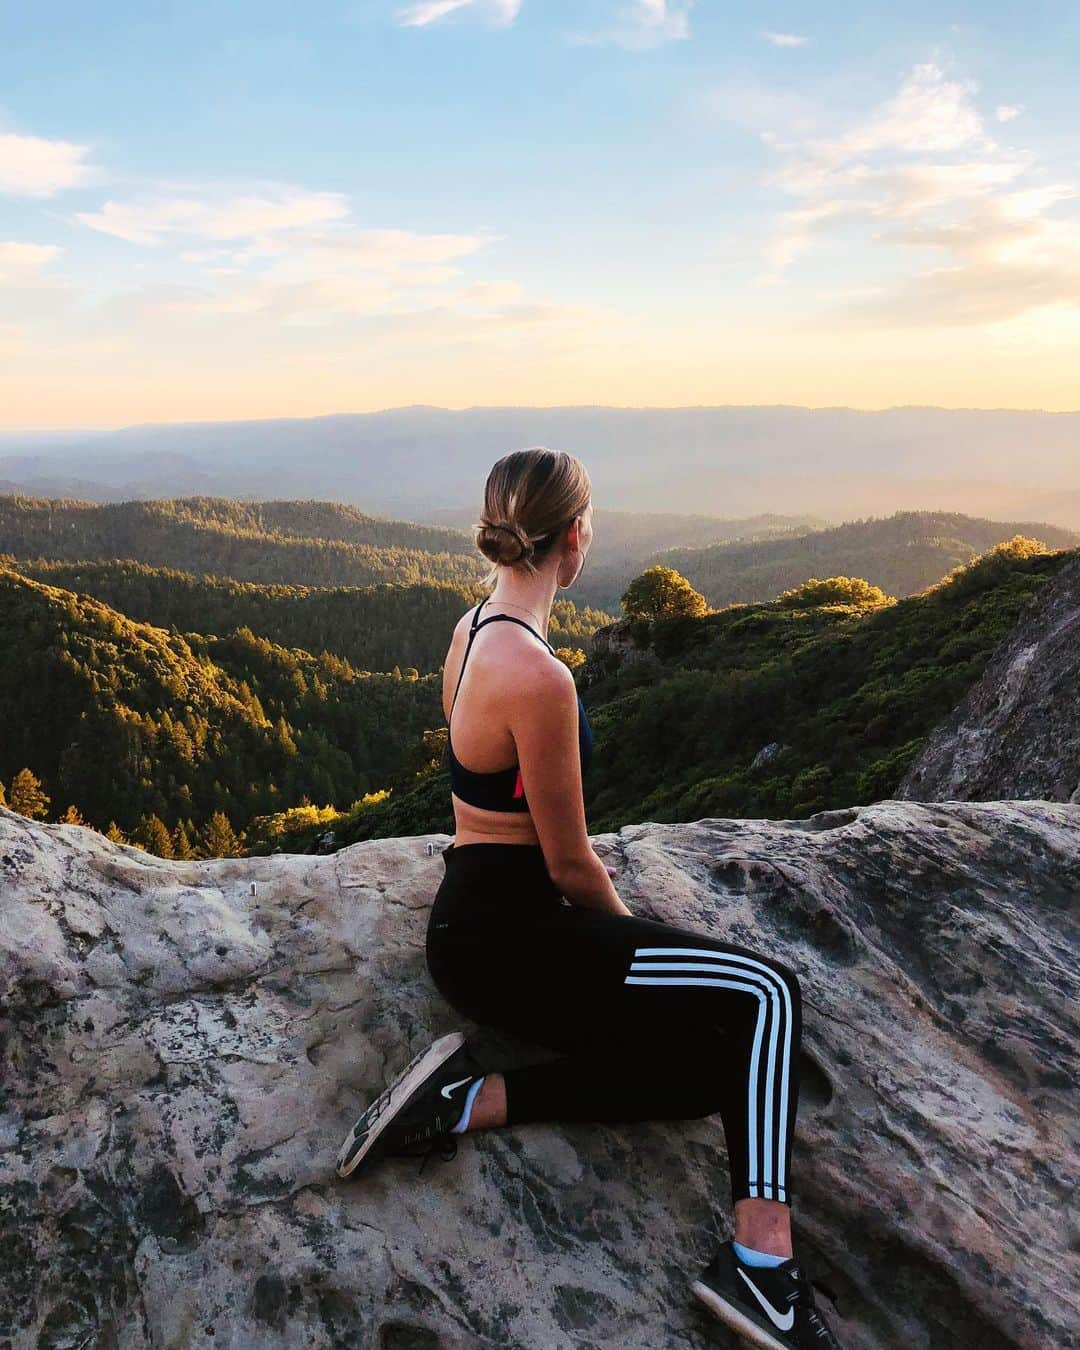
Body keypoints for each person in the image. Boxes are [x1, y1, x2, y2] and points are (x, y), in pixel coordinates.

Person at [336, 448, 842, 1349]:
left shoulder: (470, 631)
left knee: (701, 1072)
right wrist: (634, 946)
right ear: (575, 535)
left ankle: (459, 1103)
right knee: (765, 996)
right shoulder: (541, 677)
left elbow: (491, 813)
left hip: (475, 925)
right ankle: (763, 1264)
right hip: (514, 935)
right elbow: (571, 867)